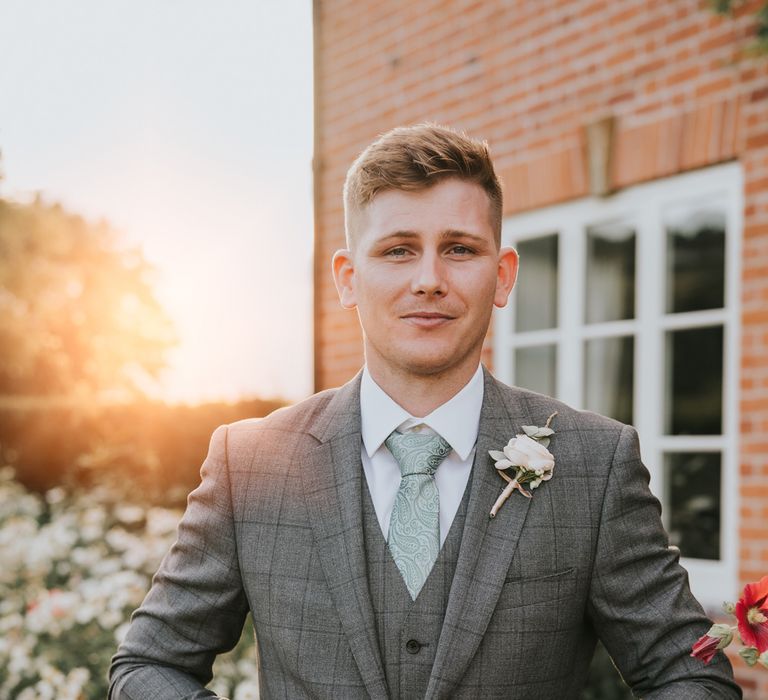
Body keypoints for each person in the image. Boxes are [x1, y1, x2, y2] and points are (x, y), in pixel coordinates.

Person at [109, 124, 740, 699]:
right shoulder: (250, 462)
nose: (429, 279)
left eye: (460, 249)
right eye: (398, 250)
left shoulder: (593, 465)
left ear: (503, 274)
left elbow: (691, 676)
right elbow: (147, 667)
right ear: (348, 277)